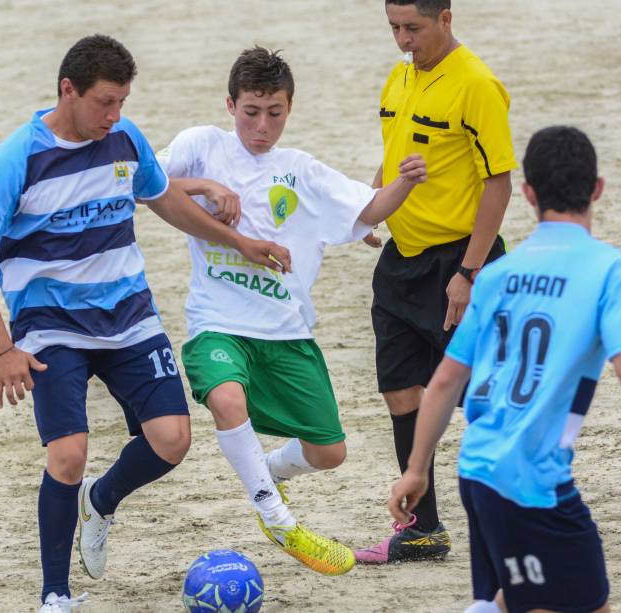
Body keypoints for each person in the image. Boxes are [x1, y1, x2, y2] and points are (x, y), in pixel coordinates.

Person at [0, 35, 289, 612]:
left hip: (129, 317)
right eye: (106, 102)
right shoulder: (17, 159)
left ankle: (100, 501)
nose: (115, 115)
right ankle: (55, 594)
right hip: (49, 322)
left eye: (122, 102)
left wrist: (240, 242)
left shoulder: (125, 140)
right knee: (69, 453)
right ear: (68, 91)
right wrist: (1, 348)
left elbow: (164, 200)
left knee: (172, 440)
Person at [388, 125, 621, 613]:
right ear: (598, 188)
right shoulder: (611, 269)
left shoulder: (496, 275)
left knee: (550, 601)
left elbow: (445, 380)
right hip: (531, 482)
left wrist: (417, 469)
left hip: (477, 471)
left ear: (528, 194)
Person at [157, 46, 427, 576]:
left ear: (289, 108)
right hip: (218, 322)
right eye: (250, 112)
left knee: (330, 453)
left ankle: (269, 473)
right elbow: (146, 186)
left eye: (274, 113)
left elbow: (367, 207)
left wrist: (406, 181)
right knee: (227, 400)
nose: (261, 126)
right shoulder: (201, 145)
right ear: (229, 104)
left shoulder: (300, 170)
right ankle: (276, 516)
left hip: (286, 332)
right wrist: (207, 185)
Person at [356, 0, 518, 564]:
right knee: (400, 390)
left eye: (413, 29)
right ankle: (422, 530)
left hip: (462, 263)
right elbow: (395, 153)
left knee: (485, 398)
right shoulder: (400, 75)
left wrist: (468, 274)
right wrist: (371, 209)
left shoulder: (476, 84)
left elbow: (499, 182)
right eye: (395, 28)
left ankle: (522, 518)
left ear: (446, 18)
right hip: (402, 261)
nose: (403, 40)